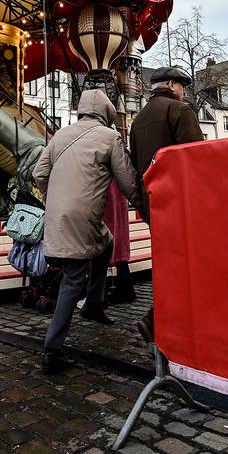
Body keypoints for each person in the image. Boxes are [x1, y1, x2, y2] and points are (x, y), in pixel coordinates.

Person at [32, 89, 139, 374]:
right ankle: (52, 351)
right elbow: (127, 182)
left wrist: (55, 197)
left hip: (58, 214)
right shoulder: (109, 137)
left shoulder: (60, 135)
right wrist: (145, 203)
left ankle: (93, 302)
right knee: (72, 280)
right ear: (106, 112)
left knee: (106, 243)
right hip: (84, 215)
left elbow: (38, 174)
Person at [127, 66, 205, 343]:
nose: (184, 92)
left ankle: (161, 321)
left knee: (167, 263)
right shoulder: (179, 112)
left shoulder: (138, 121)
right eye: (182, 86)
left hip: (153, 204)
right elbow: (197, 159)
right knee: (189, 265)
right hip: (181, 203)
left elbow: (135, 167)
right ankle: (157, 321)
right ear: (172, 84)